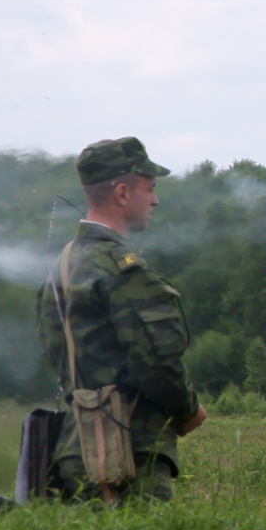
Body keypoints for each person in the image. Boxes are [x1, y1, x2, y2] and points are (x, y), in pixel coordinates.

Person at [35, 137, 207, 504]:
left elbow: (57, 357)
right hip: (129, 453)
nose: (156, 200)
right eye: (151, 188)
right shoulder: (120, 267)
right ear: (124, 193)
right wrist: (188, 409)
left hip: (73, 448)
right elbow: (157, 361)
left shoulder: (61, 265)